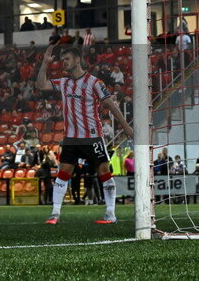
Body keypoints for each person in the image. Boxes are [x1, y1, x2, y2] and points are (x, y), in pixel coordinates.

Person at [35, 45, 133, 225]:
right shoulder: (64, 82)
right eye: (63, 59)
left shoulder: (95, 83)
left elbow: (110, 105)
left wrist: (125, 126)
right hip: (71, 138)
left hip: (93, 137)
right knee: (63, 173)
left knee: (104, 172)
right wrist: (44, 63)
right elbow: (41, 85)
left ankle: (110, 214)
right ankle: (54, 214)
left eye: (67, 59)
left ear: (77, 60)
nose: (64, 62)